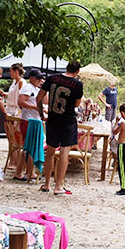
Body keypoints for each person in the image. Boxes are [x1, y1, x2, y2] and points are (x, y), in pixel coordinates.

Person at [38, 61, 84, 196]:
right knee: (64, 152)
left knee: (50, 151)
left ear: (66, 67)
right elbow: (77, 103)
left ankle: (46, 183)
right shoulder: (77, 84)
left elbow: (39, 98)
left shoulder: (52, 78)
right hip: (68, 120)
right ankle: (58, 186)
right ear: (77, 72)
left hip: (52, 119)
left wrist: (42, 115)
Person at [16, 70, 45, 183]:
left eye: (41, 79)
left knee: (29, 147)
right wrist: (34, 108)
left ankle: (25, 171)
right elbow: (21, 102)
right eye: (38, 78)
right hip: (29, 121)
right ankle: (28, 172)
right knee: (29, 147)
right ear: (32, 78)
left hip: (35, 120)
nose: (40, 80)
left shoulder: (37, 89)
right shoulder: (27, 87)